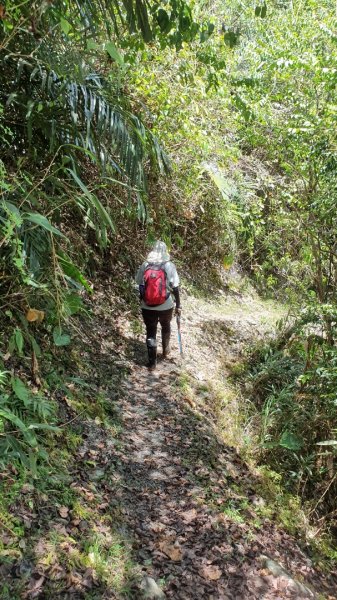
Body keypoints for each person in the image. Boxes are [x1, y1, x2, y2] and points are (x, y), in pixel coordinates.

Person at [135, 240, 181, 370]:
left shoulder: (145, 265)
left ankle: (152, 363)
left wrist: (143, 299)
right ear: (165, 251)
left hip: (147, 306)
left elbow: (139, 284)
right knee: (166, 325)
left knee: (151, 331)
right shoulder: (169, 265)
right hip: (166, 305)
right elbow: (175, 287)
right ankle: (166, 350)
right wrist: (178, 305)